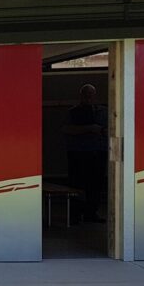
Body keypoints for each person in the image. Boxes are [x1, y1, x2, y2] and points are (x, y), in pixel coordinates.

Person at [63, 83, 108, 222]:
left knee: (96, 185)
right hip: (78, 153)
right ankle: (75, 214)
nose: (88, 97)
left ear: (95, 96)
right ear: (81, 96)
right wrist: (90, 128)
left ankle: (91, 213)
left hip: (98, 151)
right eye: (86, 94)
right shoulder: (73, 112)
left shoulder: (103, 112)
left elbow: (110, 130)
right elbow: (66, 129)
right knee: (77, 184)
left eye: (91, 95)